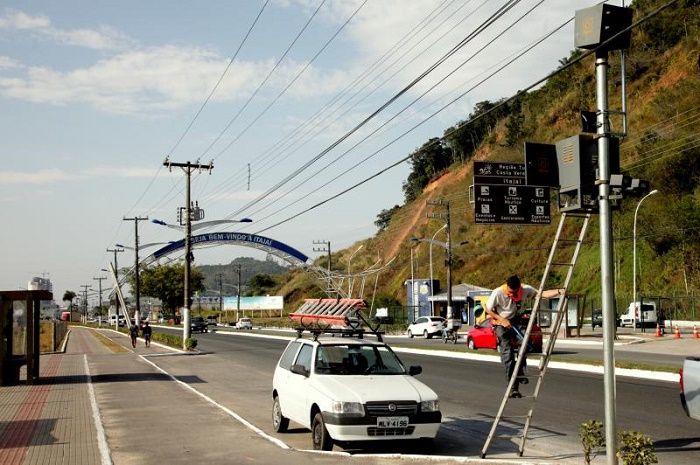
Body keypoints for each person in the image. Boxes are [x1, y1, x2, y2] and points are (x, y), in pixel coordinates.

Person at [485, 275, 537, 398]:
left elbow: (541, 294)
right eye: (510, 292)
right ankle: (513, 389)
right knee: (508, 356)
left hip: (515, 321)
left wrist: (559, 292)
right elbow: (488, 309)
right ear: (507, 287)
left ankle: (520, 371)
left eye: (515, 292)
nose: (512, 294)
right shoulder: (498, 293)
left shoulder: (525, 289)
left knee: (525, 343)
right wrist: (501, 319)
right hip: (501, 324)